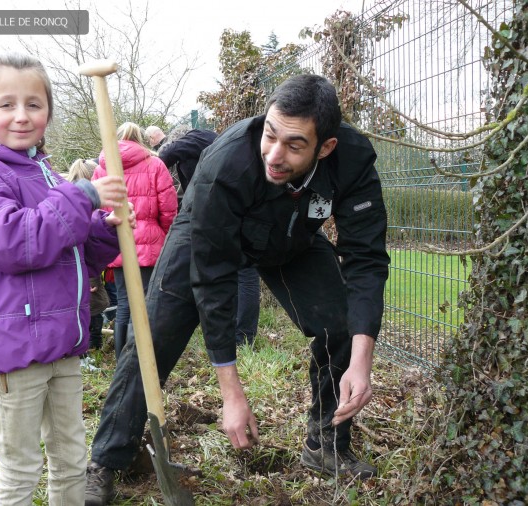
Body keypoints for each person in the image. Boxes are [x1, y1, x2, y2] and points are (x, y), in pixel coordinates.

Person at [85, 74, 390, 505]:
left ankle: (326, 444)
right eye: (270, 135)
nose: (275, 154)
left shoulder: (353, 161)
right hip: (208, 232)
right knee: (152, 340)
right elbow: (214, 279)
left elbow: (367, 260)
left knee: (339, 324)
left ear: (326, 147)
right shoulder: (226, 161)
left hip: (292, 238)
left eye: (294, 145)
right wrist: (231, 392)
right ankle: (107, 459)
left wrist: (362, 360)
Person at [0, 52, 134, 505]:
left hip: (61, 341)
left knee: (71, 456)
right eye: (6, 104)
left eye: (34, 104)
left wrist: (100, 232)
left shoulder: (44, 172)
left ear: (48, 113)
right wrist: (83, 193)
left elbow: (65, 253)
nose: (21, 115)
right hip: (14, 349)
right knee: (21, 468)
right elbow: (13, 243)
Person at [159, 128, 261, 347]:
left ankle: (242, 335)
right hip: (223, 211)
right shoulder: (205, 148)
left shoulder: (197, 138)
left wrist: (149, 163)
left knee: (244, 273)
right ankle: (239, 333)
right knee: (237, 273)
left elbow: (166, 155)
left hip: (229, 211)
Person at [92, 122, 178, 360]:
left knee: (124, 305)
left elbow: (97, 211)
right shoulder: (155, 164)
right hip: (150, 245)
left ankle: (123, 360)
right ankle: (143, 360)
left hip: (118, 243)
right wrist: (164, 236)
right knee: (147, 305)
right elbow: (169, 209)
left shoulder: (102, 169)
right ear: (141, 139)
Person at [68, 158, 112, 350]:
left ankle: (91, 346)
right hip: (84, 265)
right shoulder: (82, 205)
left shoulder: (69, 198)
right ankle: (90, 347)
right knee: (93, 305)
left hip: (85, 263)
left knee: (95, 304)